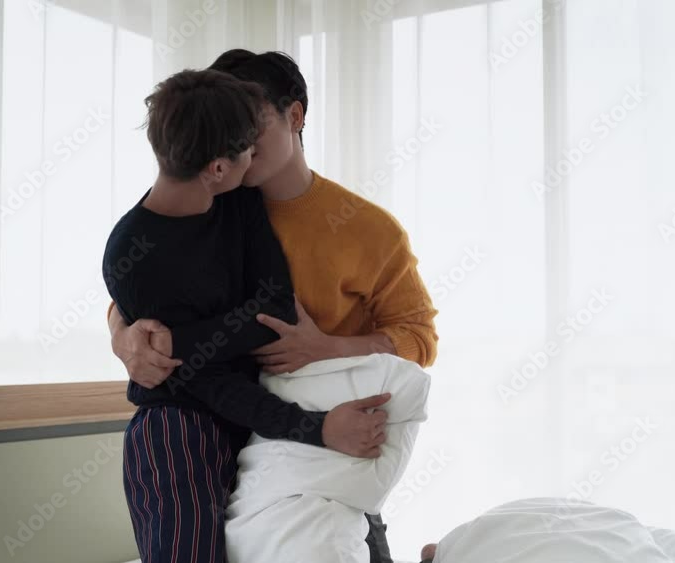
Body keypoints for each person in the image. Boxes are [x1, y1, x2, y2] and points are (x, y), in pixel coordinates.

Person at [108, 50, 439, 563]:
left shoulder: (369, 229)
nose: (237, 134)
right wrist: (122, 335)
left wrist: (326, 347)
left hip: (313, 442)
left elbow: (420, 339)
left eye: (250, 119)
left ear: (295, 115)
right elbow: (140, 292)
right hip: (218, 419)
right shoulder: (210, 197)